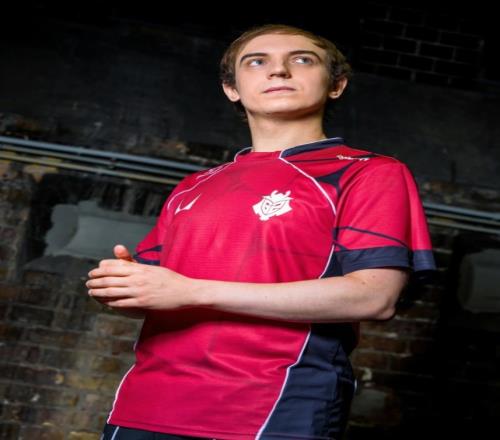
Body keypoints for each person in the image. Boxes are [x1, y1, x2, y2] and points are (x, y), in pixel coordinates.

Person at [87, 23, 436, 440]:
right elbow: (159, 295)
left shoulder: (369, 173)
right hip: (146, 404)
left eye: (302, 60)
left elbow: (375, 297)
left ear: (336, 84)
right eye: (256, 62)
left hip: (272, 405)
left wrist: (193, 291)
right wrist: (121, 286)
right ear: (231, 88)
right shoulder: (194, 185)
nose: (279, 71)